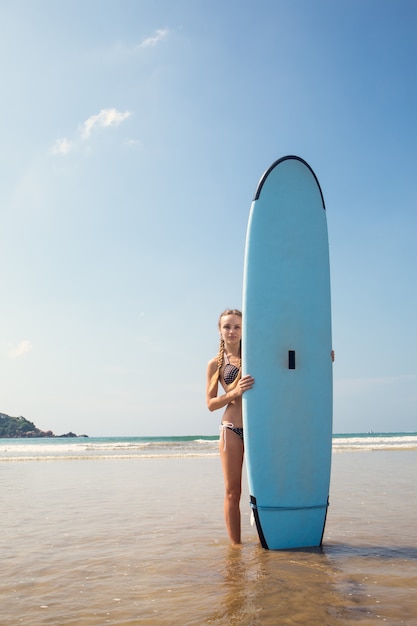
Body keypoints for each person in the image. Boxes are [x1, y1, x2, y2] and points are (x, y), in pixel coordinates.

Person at [206, 309, 254, 545]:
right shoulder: (216, 364)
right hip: (231, 429)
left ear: (244, 329)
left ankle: (268, 541)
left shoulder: (256, 355)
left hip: (259, 429)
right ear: (220, 330)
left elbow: (290, 362)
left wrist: (323, 357)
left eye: (236, 326)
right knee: (233, 492)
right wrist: (235, 392)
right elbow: (210, 404)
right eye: (227, 327)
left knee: (264, 490)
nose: (232, 331)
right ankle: (236, 548)